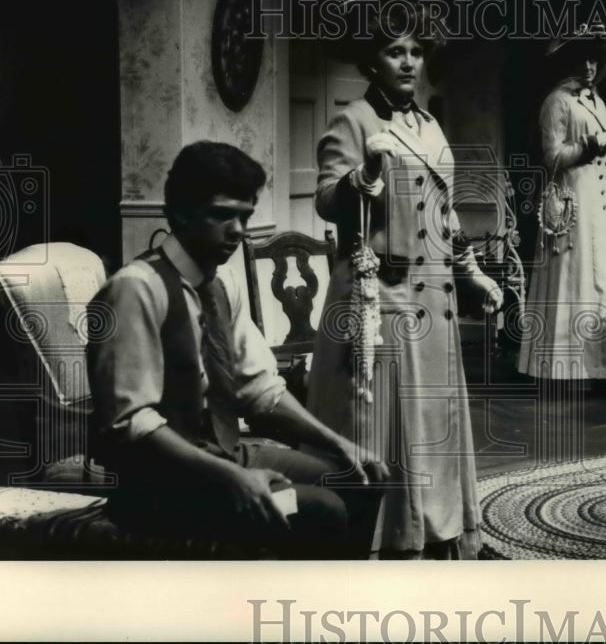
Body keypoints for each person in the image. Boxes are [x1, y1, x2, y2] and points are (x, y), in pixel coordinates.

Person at [86, 141, 387, 558]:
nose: (238, 230)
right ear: (180, 214)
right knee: (321, 508)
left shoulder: (220, 287)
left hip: (224, 456)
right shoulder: (135, 288)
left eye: (244, 216)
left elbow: (258, 388)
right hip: (159, 490)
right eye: (221, 215)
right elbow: (131, 424)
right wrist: (232, 477)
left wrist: (340, 443)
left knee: (359, 479)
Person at [306, 0, 503, 559]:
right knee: (389, 423)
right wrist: (361, 178)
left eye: (416, 51)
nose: (409, 62)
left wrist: (472, 272)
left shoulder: (430, 125)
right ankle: (390, 536)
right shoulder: (355, 120)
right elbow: (324, 198)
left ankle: (442, 529)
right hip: (379, 298)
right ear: (373, 59)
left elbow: (446, 216)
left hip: (434, 296)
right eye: (396, 51)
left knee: (434, 420)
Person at [516, 24, 606, 390]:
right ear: (566, 61)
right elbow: (550, 158)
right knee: (572, 278)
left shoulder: (596, 100)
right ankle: (563, 371)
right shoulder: (558, 101)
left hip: (599, 206)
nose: (588, 65)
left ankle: (601, 369)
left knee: (601, 280)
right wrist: (590, 146)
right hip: (570, 203)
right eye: (579, 57)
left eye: (593, 58)